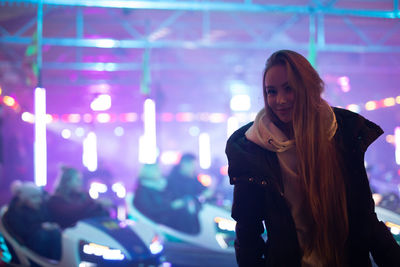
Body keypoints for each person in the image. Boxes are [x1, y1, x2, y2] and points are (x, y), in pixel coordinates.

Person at [225, 50, 400, 266]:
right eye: (271, 91)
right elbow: (247, 232)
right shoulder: (252, 150)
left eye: (289, 88)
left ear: (309, 88)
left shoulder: (342, 135)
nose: (280, 100)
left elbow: (364, 218)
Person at [3, 181, 61, 260]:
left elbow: (49, 219)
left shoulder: (40, 208)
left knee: (56, 232)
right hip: (27, 246)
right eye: (34, 197)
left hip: (42, 239)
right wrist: (40, 227)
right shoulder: (15, 212)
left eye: (39, 197)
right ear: (25, 199)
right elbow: (21, 232)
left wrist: (51, 226)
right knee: (43, 235)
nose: (39, 200)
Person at [164, 153, 212, 233]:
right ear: (183, 164)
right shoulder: (172, 179)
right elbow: (174, 202)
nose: (193, 168)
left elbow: (206, 191)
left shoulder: (192, 178)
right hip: (177, 220)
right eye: (192, 165)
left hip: (193, 216)